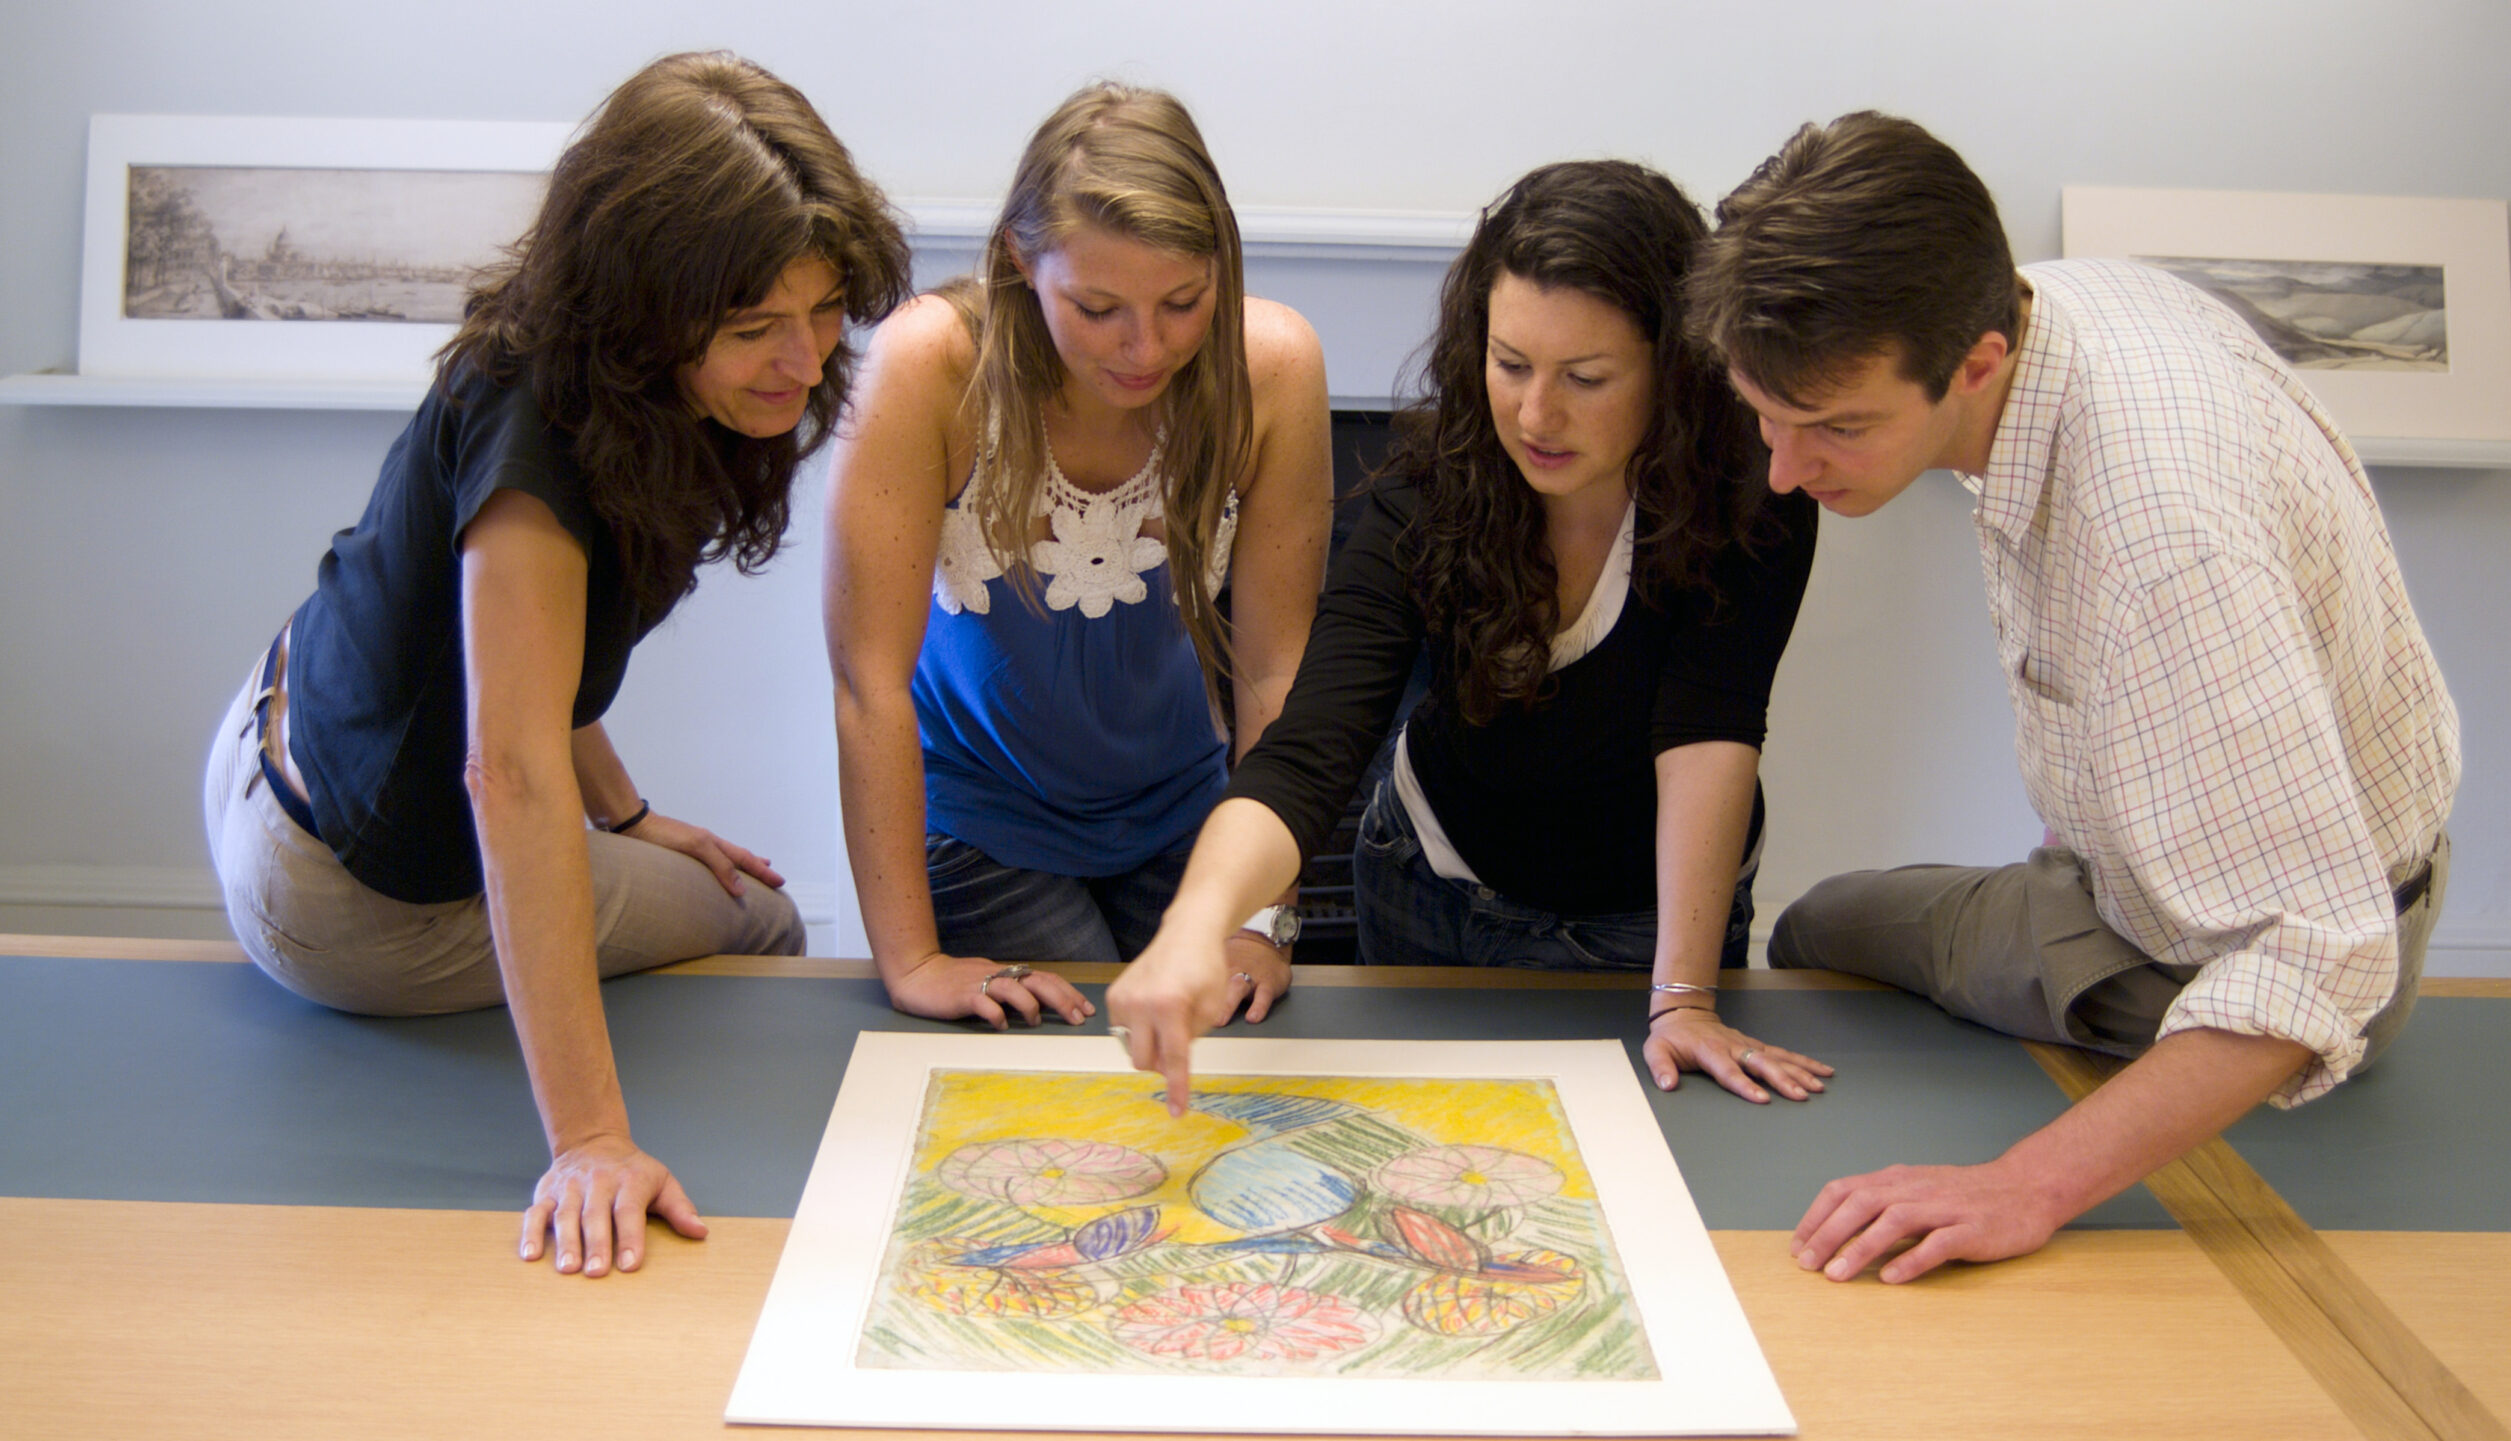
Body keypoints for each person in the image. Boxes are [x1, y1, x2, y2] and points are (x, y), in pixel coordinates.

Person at [1687, 112, 2460, 1283]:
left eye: (1837, 427)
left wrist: (2020, 1185)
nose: (1786, 470)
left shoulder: (2158, 535)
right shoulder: (2056, 298)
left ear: (1978, 360)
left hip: (2256, 954)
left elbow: (2316, 953)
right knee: (1824, 922)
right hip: (2170, 875)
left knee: (1815, 928)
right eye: (1765, 416)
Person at [200, 52, 910, 1278]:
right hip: (344, 893)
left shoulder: (612, 371)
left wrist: (626, 814)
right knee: (767, 920)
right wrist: (589, 1139)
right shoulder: (535, 442)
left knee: (686, 879)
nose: (804, 361)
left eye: (824, 308)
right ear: (645, 302)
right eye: (755, 329)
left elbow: (524, 661)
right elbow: (510, 770)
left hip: (276, 732)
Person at [1108, 160, 1829, 1113]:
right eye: (1511, 363)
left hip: (1650, 921)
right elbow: (1315, 742)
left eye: (1586, 377)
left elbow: (1710, 729)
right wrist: (1202, 924)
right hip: (1427, 881)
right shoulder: (1433, 486)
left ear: (1674, 363)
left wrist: (1684, 994)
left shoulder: (1755, 489)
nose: (1537, 415)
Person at [824, 83, 1331, 1028]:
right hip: (981, 817)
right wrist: (913, 959)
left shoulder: (1276, 367)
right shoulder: (931, 365)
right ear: (1021, 262)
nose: (1147, 348)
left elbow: (1275, 667)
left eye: (1183, 302)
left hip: (1189, 810)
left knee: (1221, 1064)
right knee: (1089, 1070)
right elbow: (868, 683)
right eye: (1098, 308)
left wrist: (1264, 917)